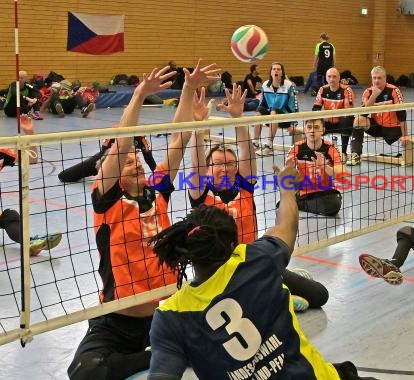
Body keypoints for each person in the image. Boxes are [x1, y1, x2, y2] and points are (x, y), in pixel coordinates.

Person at [147, 167, 378, 380]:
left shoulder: (169, 317)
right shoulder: (255, 261)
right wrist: (287, 189)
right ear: (231, 247)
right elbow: (287, 224)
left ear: (189, 253)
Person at [67, 60, 221, 380]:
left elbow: (178, 141)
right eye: (126, 163)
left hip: (164, 315)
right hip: (116, 322)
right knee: (84, 372)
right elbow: (124, 141)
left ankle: (159, 350)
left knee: (221, 348)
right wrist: (138, 95)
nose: (135, 163)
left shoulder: (158, 194)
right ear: (114, 173)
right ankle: (153, 355)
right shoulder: (106, 203)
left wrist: (189, 88)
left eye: (136, 160)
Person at [188, 84, 329, 312]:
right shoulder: (200, 193)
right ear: (207, 169)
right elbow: (195, 161)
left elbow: (246, 152)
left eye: (230, 163)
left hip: (254, 264)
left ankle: (277, 289)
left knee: (320, 295)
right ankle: (277, 295)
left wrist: (238, 118)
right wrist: (198, 127)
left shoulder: (244, 187)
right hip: (218, 276)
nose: (226, 168)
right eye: (218, 164)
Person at [1, 114, 62, 256]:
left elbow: (32, 159)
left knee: (10, 215)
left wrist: (29, 134)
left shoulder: (1, 152)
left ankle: (30, 243)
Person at [346, 66, 410, 166]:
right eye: (374, 78)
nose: (376, 81)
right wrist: (374, 96)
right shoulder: (368, 92)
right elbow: (364, 113)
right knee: (358, 120)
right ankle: (356, 155)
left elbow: (402, 114)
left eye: (379, 78)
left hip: (393, 129)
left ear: (385, 79)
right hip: (377, 127)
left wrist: (405, 135)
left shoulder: (394, 90)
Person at [286, 118, 344, 216]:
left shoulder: (330, 148)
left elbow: (342, 175)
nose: (312, 130)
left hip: (326, 190)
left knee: (334, 205)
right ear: (305, 130)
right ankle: (298, 202)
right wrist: (289, 170)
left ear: (323, 130)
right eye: (309, 127)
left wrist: (324, 166)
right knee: (329, 207)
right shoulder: (296, 148)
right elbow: (287, 180)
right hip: (306, 192)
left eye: (316, 127)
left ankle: (296, 203)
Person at [58, 136, 156, 183]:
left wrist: (159, 176)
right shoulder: (115, 132)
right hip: (105, 162)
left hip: (125, 168)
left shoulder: (140, 136)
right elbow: (103, 154)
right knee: (63, 176)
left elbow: (149, 159)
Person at [252, 62, 300, 156]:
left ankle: (269, 146)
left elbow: (295, 105)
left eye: (278, 69)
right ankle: (255, 143)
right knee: (259, 110)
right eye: (274, 69)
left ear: (282, 73)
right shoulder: (265, 85)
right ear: (271, 72)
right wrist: (256, 120)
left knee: (274, 111)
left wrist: (293, 123)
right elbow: (262, 104)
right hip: (271, 117)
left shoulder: (289, 86)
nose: (276, 71)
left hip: (286, 118)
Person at [312, 67, 355, 162]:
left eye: (334, 76)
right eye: (329, 76)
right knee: (313, 122)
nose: (332, 79)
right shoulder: (322, 89)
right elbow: (315, 108)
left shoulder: (346, 90)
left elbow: (349, 111)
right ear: (326, 78)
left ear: (339, 78)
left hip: (342, 124)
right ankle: (315, 151)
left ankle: (343, 153)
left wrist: (331, 115)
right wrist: (323, 116)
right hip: (328, 123)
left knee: (346, 119)